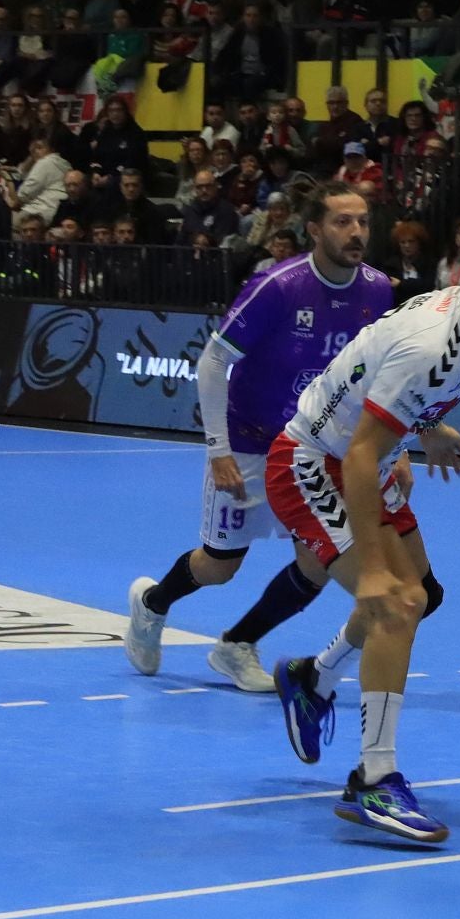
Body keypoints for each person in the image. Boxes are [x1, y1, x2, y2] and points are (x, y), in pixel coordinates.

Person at [269, 238, 460, 842]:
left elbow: (386, 388)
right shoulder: (436, 345)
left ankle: (314, 679)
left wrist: (427, 428)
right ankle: (375, 778)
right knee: (392, 604)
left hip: (365, 457)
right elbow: (361, 449)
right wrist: (371, 569)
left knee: (418, 594)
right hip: (314, 461)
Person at [125, 184, 395, 692]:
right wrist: (218, 450)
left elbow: (380, 372)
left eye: (362, 221)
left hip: (313, 449)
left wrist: (392, 447)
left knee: (319, 561)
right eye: (342, 221)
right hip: (250, 442)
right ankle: (152, 603)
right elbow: (213, 361)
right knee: (219, 566)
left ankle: (236, 644)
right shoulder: (278, 286)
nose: (356, 232)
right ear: (314, 229)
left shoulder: (378, 289)